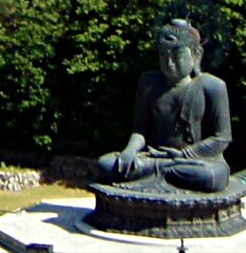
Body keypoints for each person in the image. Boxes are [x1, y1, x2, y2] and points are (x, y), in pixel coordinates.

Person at [94, 16, 235, 197]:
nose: (169, 63)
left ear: (196, 54)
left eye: (177, 55)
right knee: (106, 164)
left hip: (196, 162)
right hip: (156, 158)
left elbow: (222, 138)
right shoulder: (149, 82)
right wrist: (129, 151)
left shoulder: (212, 86)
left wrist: (185, 155)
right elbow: (140, 130)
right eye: (163, 55)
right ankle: (163, 175)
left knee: (212, 176)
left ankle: (160, 176)